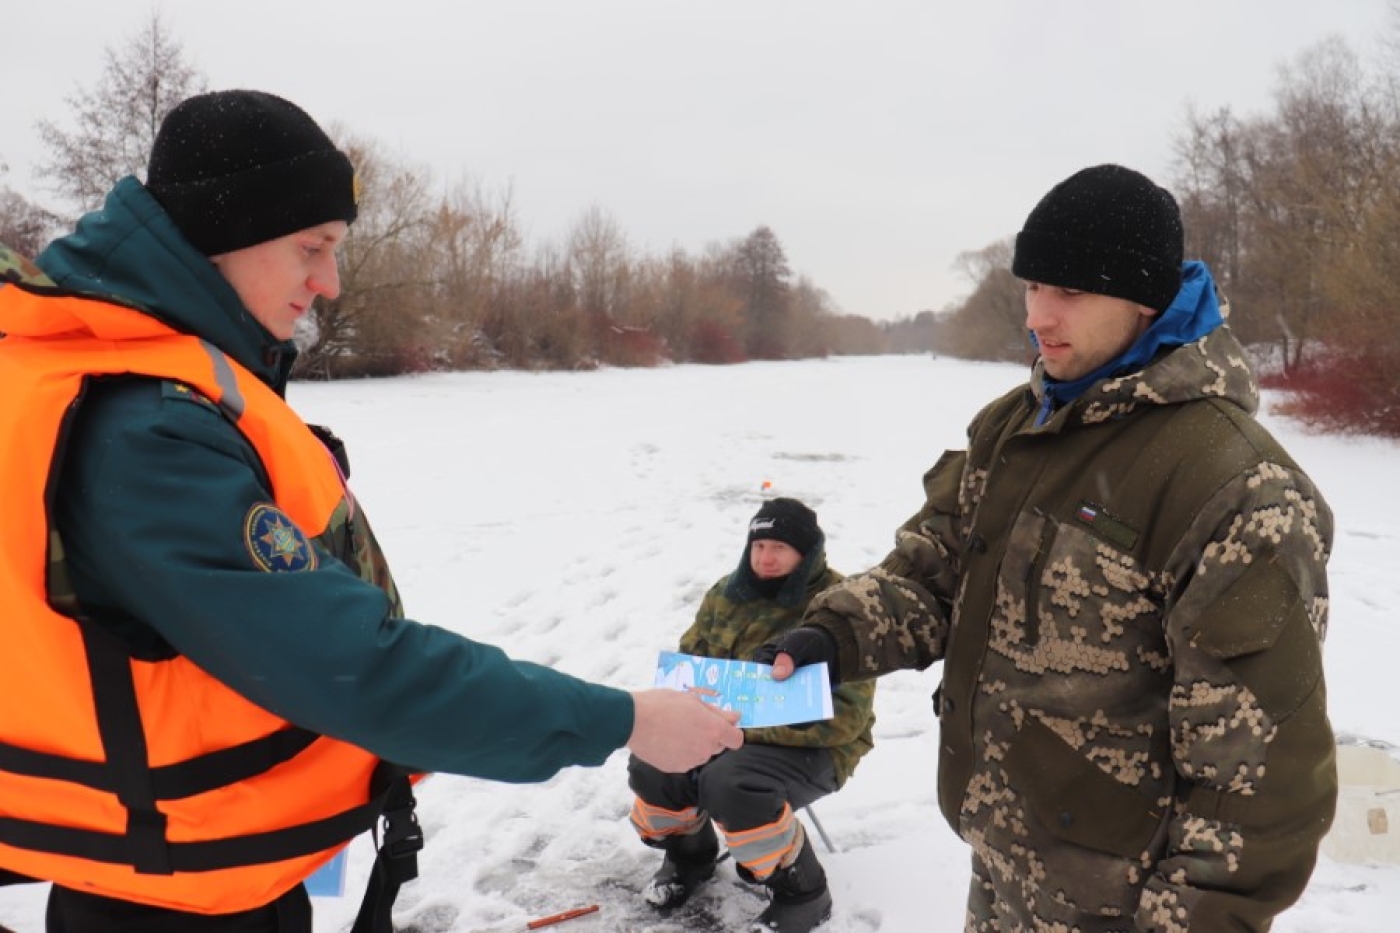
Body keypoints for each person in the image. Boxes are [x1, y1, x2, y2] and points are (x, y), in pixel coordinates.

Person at [0, 89, 741, 933]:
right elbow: (357, 668)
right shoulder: (147, 429)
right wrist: (627, 718)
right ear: (222, 235)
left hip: (170, 866)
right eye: (312, 247)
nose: (331, 282)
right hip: (173, 898)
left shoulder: (132, 373)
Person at [761, 165, 1337, 932]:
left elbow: (1258, 781)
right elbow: (936, 571)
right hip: (1004, 866)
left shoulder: (1233, 487)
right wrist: (830, 634)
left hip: (1125, 905)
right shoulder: (1017, 426)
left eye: (1069, 292)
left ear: (1142, 297)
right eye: (1033, 286)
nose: (1039, 315)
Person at [627, 498, 875, 933]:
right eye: (759, 545)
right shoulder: (725, 595)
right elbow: (688, 664)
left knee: (732, 781)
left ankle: (803, 892)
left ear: (808, 552)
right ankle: (689, 856)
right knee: (653, 759)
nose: (766, 556)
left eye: (780, 546)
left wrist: (742, 731)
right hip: (721, 731)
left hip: (817, 747)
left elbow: (847, 716)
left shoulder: (840, 607)